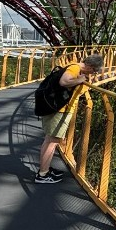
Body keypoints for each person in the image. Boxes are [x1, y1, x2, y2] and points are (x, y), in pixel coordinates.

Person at [35, 54, 104, 184]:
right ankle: (42, 175)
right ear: (89, 66)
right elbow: (64, 81)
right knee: (52, 142)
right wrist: (80, 80)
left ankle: (44, 170)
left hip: (56, 109)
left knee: (49, 140)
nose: (94, 74)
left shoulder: (75, 67)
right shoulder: (75, 69)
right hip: (60, 111)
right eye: (94, 71)